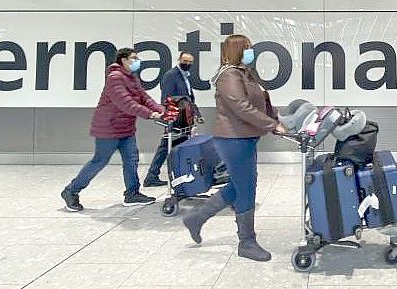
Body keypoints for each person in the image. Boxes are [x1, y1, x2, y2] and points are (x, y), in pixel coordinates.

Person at [182, 34, 286, 262]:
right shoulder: (228, 75)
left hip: (245, 137)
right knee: (246, 188)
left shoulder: (244, 73)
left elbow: (261, 100)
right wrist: (272, 125)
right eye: (247, 47)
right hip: (233, 139)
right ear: (237, 50)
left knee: (239, 185)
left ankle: (197, 218)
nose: (251, 51)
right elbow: (241, 107)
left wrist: (277, 118)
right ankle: (246, 242)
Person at [61, 48, 165, 212]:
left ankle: (132, 193)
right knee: (99, 161)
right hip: (108, 128)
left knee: (132, 159)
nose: (137, 61)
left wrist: (161, 110)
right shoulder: (115, 78)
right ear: (123, 60)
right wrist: (150, 114)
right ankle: (71, 191)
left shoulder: (132, 77)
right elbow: (125, 103)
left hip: (126, 128)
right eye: (134, 58)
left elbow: (144, 97)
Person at [143, 51, 204, 187]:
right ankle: (166, 176)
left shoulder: (185, 76)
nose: (187, 64)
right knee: (169, 146)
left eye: (190, 62)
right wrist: (170, 118)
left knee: (168, 147)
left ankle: (153, 176)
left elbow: (188, 98)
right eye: (185, 61)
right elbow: (167, 98)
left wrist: (196, 114)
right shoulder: (171, 76)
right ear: (179, 60)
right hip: (176, 118)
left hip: (184, 117)